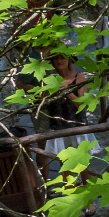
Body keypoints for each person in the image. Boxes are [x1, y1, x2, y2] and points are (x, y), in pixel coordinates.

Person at [40, 54, 98, 182]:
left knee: (83, 166)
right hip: (58, 128)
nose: (59, 61)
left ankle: (89, 201)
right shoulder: (49, 79)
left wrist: (67, 91)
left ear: (69, 60)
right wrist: (47, 86)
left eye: (62, 57)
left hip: (77, 127)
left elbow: (81, 104)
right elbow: (43, 102)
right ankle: (71, 197)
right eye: (55, 58)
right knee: (65, 168)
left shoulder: (79, 77)